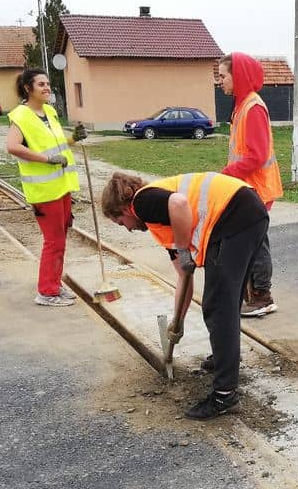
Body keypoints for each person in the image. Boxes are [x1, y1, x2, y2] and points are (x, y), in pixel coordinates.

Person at [100, 171, 269, 420]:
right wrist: (176, 324)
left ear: (123, 209)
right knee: (226, 301)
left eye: (120, 223)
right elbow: (184, 277)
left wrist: (183, 248)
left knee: (218, 306)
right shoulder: (163, 222)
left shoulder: (142, 202)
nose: (127, 229)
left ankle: (224, 395)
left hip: (234, 215)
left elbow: (178, 203)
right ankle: (225, 358)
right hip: (247, 213)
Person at [6, 68, 87, 307]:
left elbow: (57, 144)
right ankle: (46, 292)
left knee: (60, 239)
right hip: (44, 191)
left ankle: (54, 284)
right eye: (41, 84)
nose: (47, 88)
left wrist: (74, 139)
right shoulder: (20, 116)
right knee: (53, 241)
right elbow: (12, 146)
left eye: (48, 83)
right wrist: (46, 160)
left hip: (61, 186)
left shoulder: (49, 112)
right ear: (28, 88)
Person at [218, 53, 283, 318]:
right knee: (250, 239)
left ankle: (262, 296)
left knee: (256, 241)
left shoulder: (253, 108)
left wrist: (228, 172)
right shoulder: (242, 105)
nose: (219, 81)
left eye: (223, 76)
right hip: (247, 186)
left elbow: (256, 155)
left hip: (257, 186)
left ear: (238, 76)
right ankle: (253, 293)